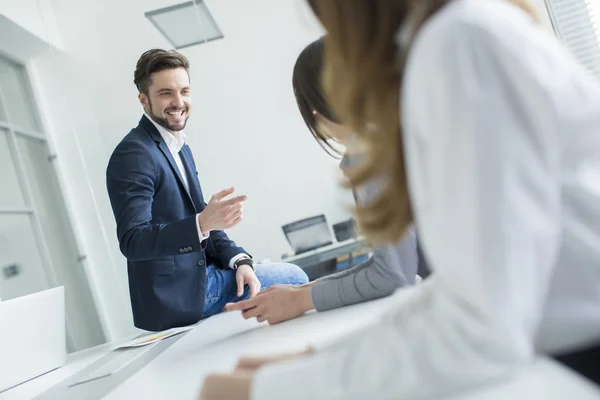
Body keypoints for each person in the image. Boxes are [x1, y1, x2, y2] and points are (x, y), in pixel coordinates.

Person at [199, 0, 600, 398]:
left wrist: (276, 389)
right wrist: (313, 357)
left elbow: (480, 327)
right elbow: (460, 290)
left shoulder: (458, 43)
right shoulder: (454, 40)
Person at [224, 38, 430, 325]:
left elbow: (392, 275)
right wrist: (301, 290)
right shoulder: (392, 130)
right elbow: (392, 263)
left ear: (318, 106)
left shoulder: (368, 151)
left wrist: (299, 300)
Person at [106, 49, 308, 332]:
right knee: (294, 277)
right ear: (143, 100)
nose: (179, 102)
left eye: (184, 91)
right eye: (166, 93)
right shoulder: (134, 154)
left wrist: (239, 260)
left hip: (201, 276)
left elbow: (203, 220)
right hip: (180, 294)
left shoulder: (178, 146)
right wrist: (201, 223)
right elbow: (133, 241)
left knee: (272, 276)